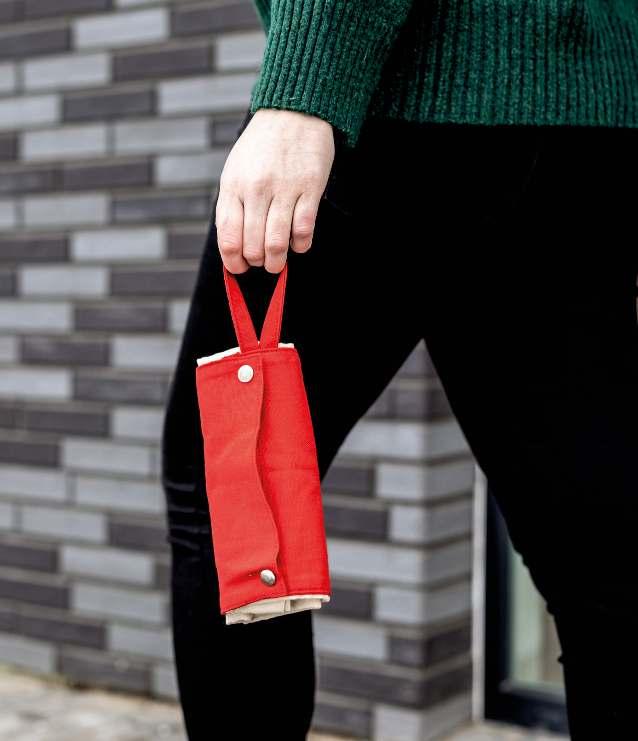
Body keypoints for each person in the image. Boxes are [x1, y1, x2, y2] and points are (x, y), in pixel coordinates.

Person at [161, 1, 638, 739]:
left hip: (406, 98)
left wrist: (303, 92)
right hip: (584, 117)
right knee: (601, 557)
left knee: (233, 493)